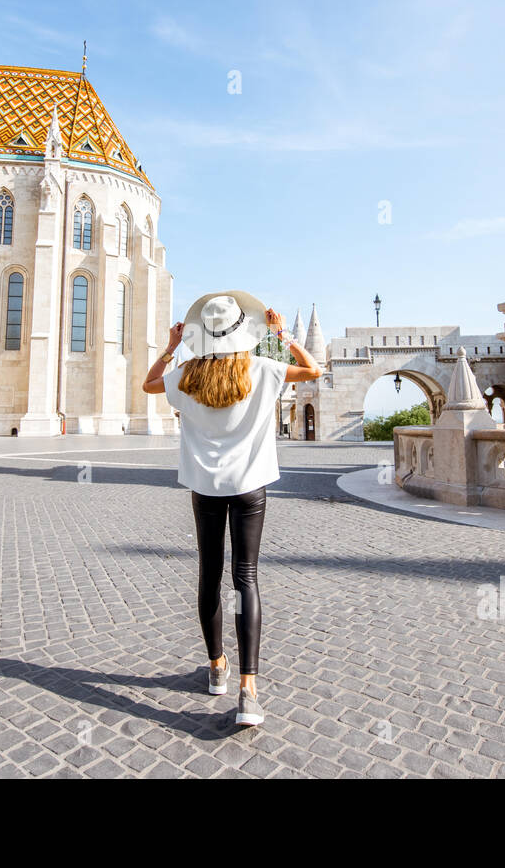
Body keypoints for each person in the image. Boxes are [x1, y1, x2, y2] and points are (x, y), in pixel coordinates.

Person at [141, 291, 322, 727]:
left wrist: (170, 347)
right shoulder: (262, 369)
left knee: (209, 575)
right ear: (244, 332)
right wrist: (281, 335)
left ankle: (216, 666)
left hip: (205, 488)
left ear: (201, 335)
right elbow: (315, 369)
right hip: (249, 489)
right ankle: (248, 688)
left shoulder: (186, 374)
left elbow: (148, 385)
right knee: (247, 578)